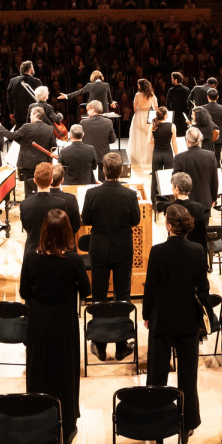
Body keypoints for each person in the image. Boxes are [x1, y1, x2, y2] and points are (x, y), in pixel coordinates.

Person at [21, 210, 90, 444]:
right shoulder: (73, 260)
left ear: (44, 231)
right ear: (67, 232)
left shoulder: (31, 258)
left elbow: (24, 291)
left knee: (39, 369)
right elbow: (87, 291)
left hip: (39, 320)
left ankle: (39, 423)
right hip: (64, 320)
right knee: (65, 371)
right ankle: (67, 426)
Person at [143, 202, 210, 435]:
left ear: (169, 226)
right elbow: (203, 289)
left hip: (162, 317)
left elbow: (150, 288)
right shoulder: (198, 251)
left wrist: (146, 315)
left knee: (157, 374)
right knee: (188, 375)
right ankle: (188, 422)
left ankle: (155, 420)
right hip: (188, 318)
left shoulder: (158, 251)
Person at [82, 152, 141, 359]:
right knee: (122, 296)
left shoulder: (92, 193)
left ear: (104, 171)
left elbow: (86, 219)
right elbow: (135, 221)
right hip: (122, 250)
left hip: (99, 250)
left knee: (98, 296)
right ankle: (121, 346)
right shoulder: (129, 195)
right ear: (121, 170)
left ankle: (99, 345)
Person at [18, 163, 80, 258]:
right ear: (51, 180)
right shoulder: (60, 203)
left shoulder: (24, 204)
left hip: (33, 251)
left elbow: (26, 227)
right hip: (56, 250)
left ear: (34, 180)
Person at [9, 105, 57, 185]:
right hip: (43, 164)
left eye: (31, 115)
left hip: (27, 164)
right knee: (42, 186)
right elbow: (53, 147)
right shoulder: (50, 129)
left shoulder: (26, 127)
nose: (30, 117)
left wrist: (0, 128)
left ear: (35, 115)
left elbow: (13, 136)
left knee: (29, 188)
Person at [174, 126, 218, 205]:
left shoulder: (179, 158)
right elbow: (214, 181)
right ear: (200, 139)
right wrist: (213, 198)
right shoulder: (211, 156)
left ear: (187, 141)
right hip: (205, 201)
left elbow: (176, 181)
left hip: (186, 203)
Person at [169, 171, 210, 241]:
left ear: (177, 188)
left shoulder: (170, 207)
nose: (172, 188)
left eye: (172, 186)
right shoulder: (199, 208)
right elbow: (202, 235)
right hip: (195, 246)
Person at [128, 77, 157, 170]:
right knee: (148, 135)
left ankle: (138, 158)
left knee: (138, 136)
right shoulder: (152, 95)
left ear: (140, 86)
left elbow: (134, 108)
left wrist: (140, 109)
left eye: (138, 85)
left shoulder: (137, 95)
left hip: (139, 115)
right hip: (149, 115)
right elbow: (156, 108)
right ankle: (148, 157)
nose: (138, 86)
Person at [150, 105, 175, 172]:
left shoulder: (153, 125)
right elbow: (174, 142)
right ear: (165, 116)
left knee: (156, 175)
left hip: (156, 153)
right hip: (168, 154)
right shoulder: (172, 126)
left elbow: (149, 141)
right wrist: (177, 154)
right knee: (169, 174)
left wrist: (157, 141)